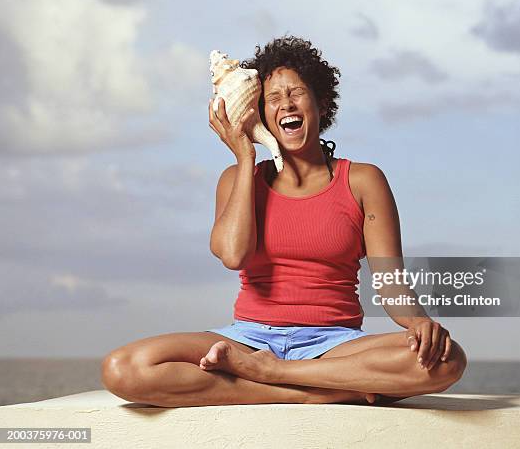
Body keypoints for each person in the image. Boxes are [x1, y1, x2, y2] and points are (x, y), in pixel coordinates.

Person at [101, 35, 467, 407]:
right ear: (260, 114)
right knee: (124, 368)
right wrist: (245, 158)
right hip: (248, 339)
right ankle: (320, 392)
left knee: (447, 359)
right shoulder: (236, 179)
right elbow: (233, 255)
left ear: (321, 103)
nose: (286, 105)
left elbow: (390, 281)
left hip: (334, 345)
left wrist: (419, 322)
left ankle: (274, 376)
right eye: (273, 99)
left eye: (296, 93)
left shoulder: (363, 180)